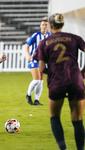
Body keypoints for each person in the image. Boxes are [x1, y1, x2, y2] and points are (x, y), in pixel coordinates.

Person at [34, 13, 85, 150]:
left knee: (55, 116)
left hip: (57, 82)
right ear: (63, 24)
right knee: (77, 118)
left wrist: (52, 73)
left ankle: (63, 149)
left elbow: (41, 68)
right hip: (76, 80)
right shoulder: (75, 38)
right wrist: (83, 71)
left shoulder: (44, 42)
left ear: (50, 26)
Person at [25, 17, 50, 105]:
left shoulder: (50, 36)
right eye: (42, 25)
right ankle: (28, 95)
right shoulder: (36, 35)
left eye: (45, 25)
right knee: (36, 80)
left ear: (48, 26)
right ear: (40, 26)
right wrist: (28, 55)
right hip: (34, 59)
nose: (44, 26)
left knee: (41, 81)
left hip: (44, 61)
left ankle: (36, 100)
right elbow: (27, 45)